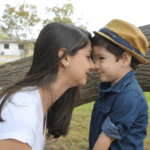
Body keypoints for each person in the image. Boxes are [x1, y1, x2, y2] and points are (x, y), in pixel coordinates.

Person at [0, 22, 95, 150]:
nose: (93, 66)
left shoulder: (37, 103)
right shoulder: (21, 110)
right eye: (88, 57)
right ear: (65, 57)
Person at [89, 19, 149, 150]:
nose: (95, 65)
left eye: (101, 58)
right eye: (95, 59)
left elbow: (106, 138)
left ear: (125, 59)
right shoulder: (110, 88)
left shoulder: (130, 96)